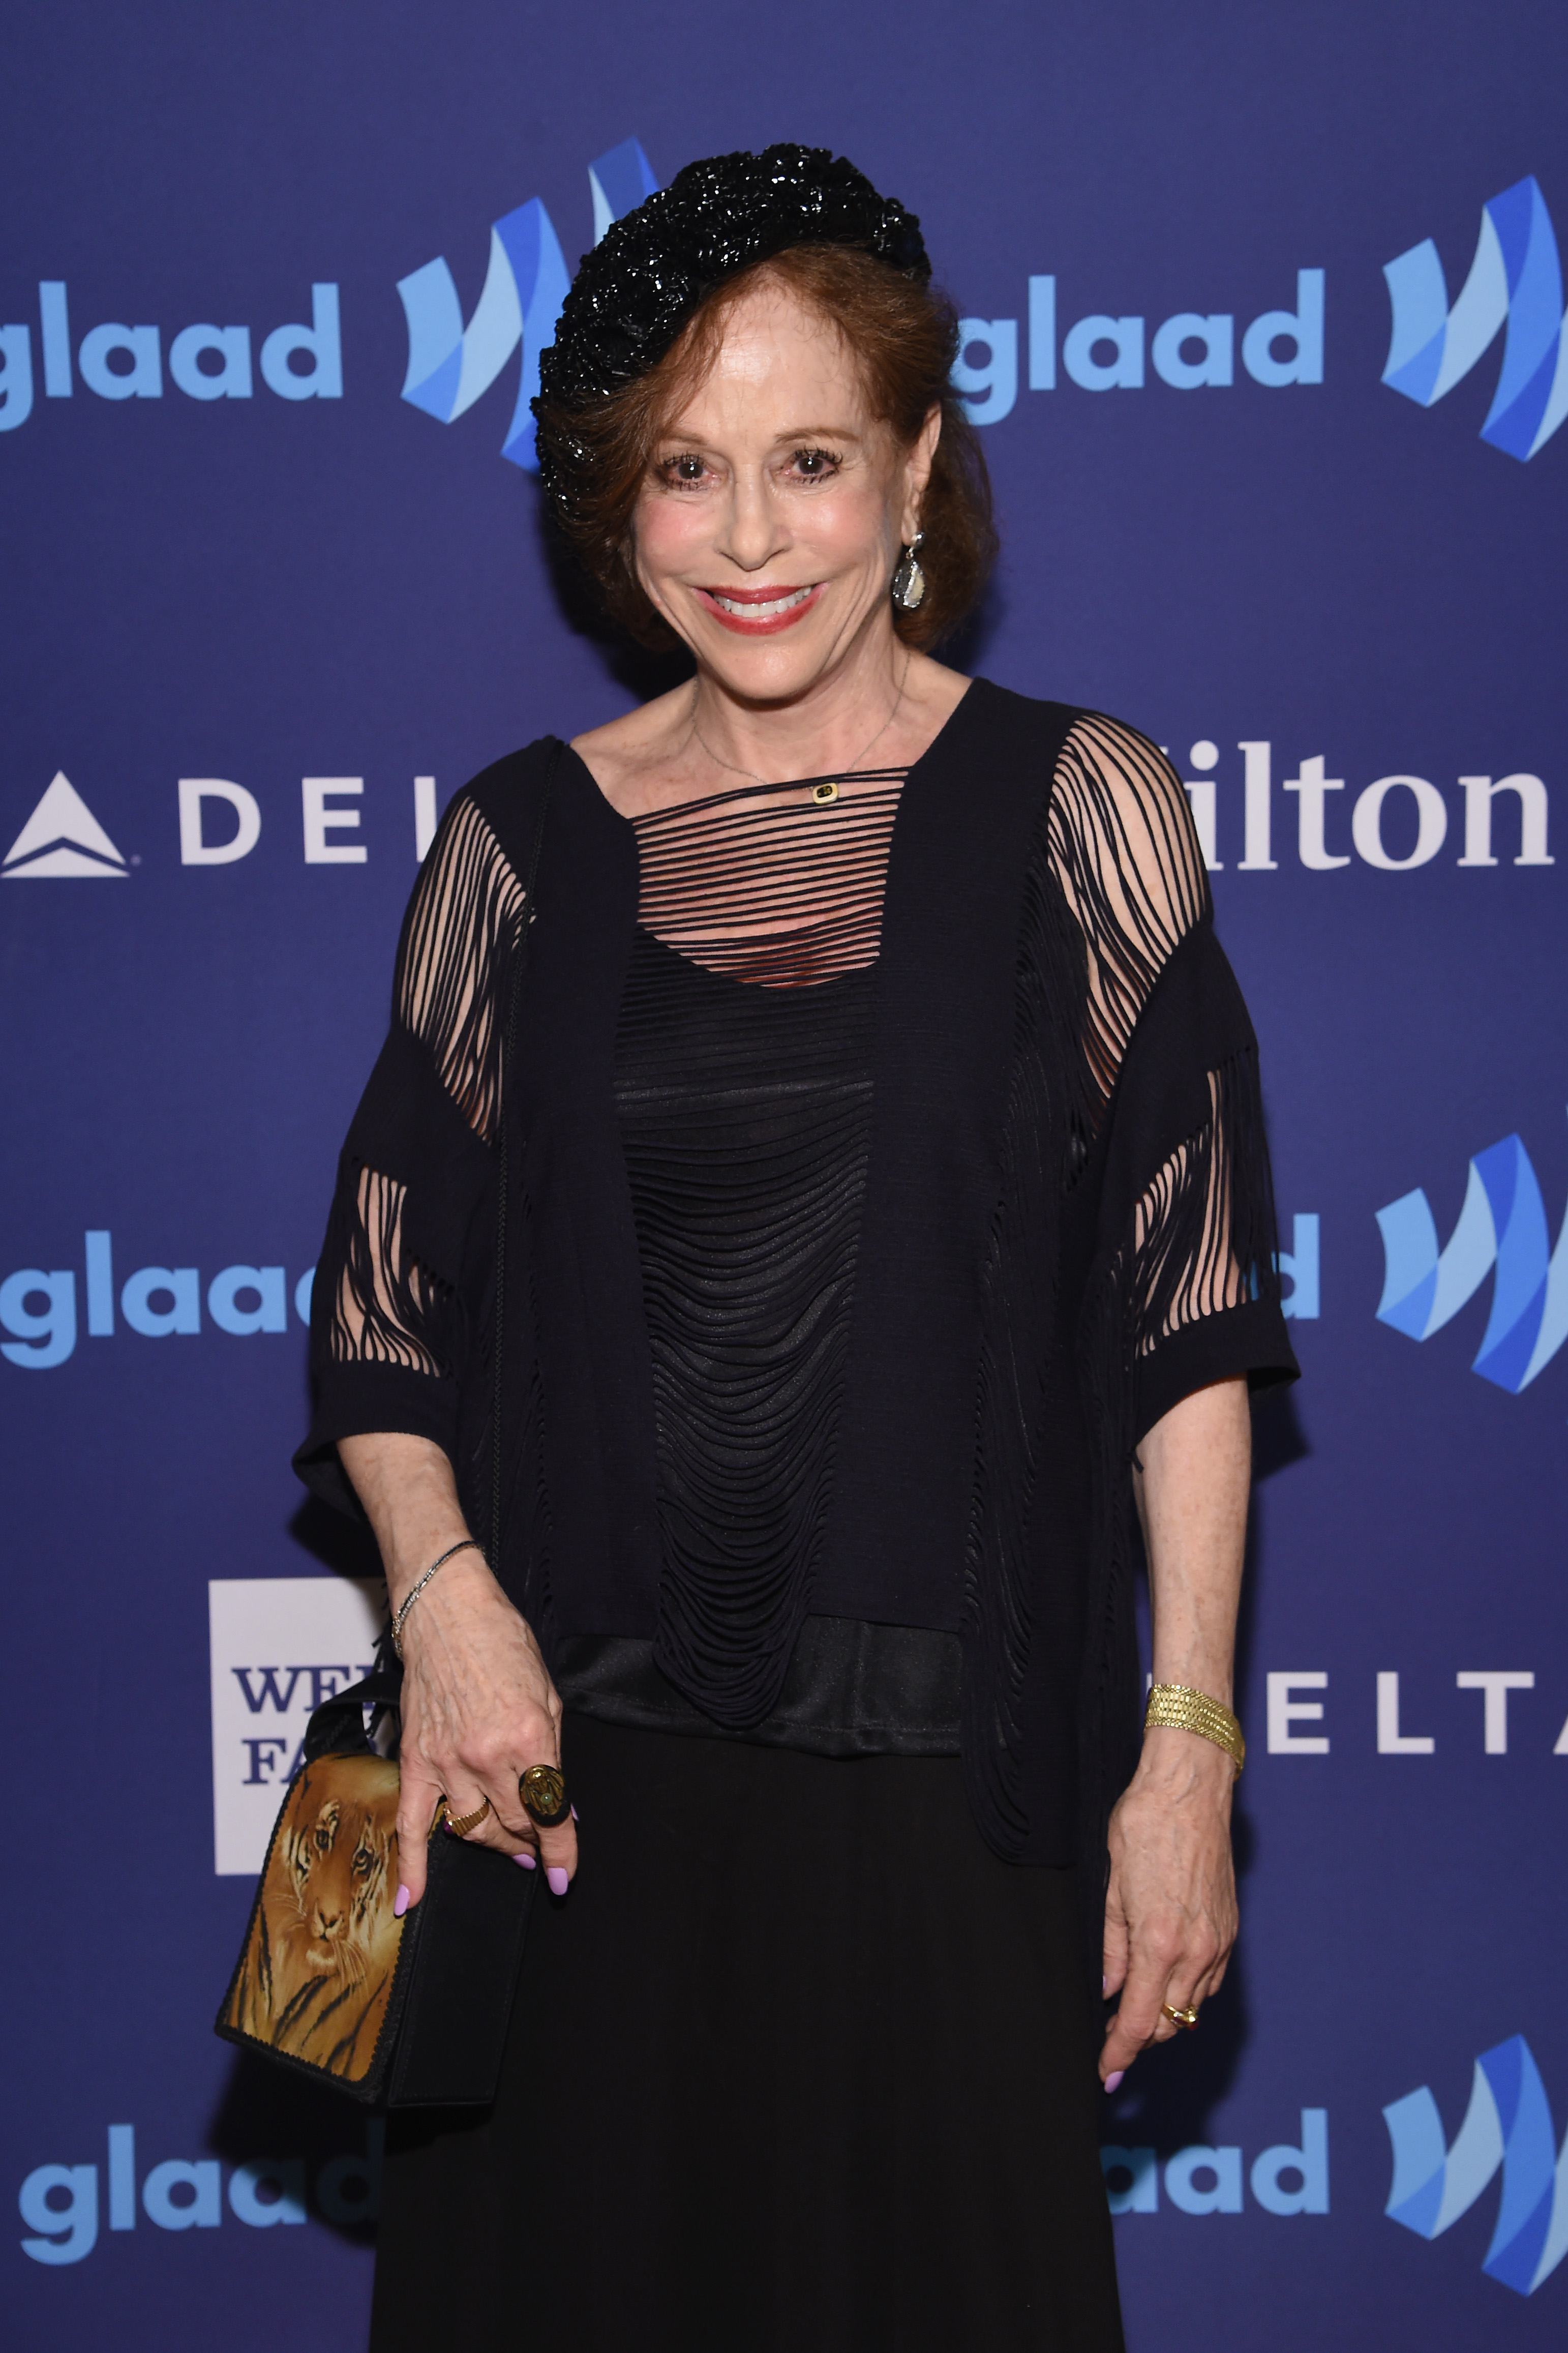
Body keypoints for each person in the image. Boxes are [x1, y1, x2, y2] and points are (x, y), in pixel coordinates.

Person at [296, 145, 1297, 2353]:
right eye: (687, 471)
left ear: (920, 462)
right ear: (616, 505)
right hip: (556, 1803)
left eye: (813, 459)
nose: (751, 539)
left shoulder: (1083, 811)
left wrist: (1192, 1739)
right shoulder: (515, 850)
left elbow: (1190, 1324)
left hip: (948, 1815)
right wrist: (448, 1603)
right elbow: (380, 1313)